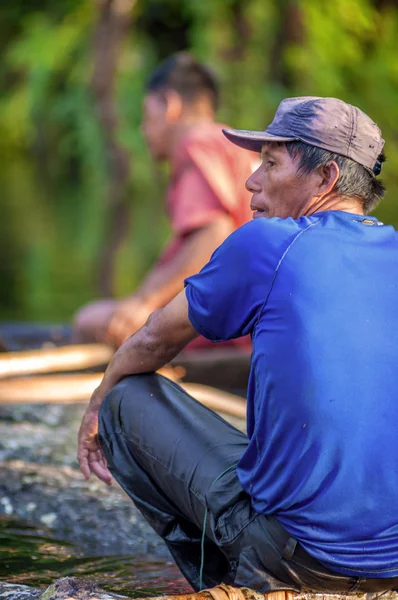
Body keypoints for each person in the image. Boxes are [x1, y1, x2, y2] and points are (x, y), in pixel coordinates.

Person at [77, 96, 398, 596]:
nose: (251, 181)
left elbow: (153, 338)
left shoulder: (270, 242)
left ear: (325, 177)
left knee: (125, 399)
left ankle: (233, 578)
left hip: (298, 558)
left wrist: (97, 401)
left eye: (270, 164)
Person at [73, 52, 254, 349]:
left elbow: (214, 235)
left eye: (146, 117)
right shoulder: (234, 144)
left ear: (170, 105)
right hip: (241, 321)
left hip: (218, 327)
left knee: (87, 320)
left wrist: (145, 302)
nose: (144, 131)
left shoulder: (196, 143)